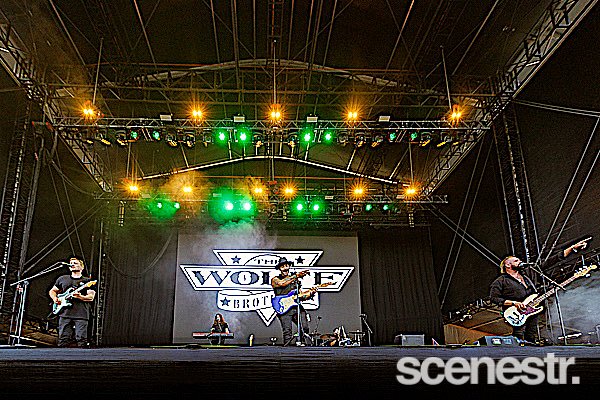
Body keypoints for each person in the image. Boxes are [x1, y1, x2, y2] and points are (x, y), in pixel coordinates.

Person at [489, 239, 589, 343]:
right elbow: (494, 298)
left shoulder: (529, 273)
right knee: (519, 335)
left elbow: (552, 260)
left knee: (531, 335)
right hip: (515, 313)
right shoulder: (500, 281)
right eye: (516, 261)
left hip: (532, 309)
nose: (520, 262)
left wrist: (572, 248)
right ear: (507, 265)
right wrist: (514, 303)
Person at [48, 258, 96, 347]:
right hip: (64, 313)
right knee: (63, 339)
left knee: (81, 340)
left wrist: (80, 297)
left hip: (81, 314)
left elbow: (91, 297)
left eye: (75, 263)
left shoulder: (87, 281)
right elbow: (52, 291)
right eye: (71, 263)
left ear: (82, 267)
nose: (72, 264)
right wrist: (55, 298)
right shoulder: (62, 278)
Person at [271, 258, 317, 346]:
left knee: (304, 327)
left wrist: (310, 293)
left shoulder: (295, 281)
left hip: (296, 306)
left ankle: (301, 344)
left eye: (286, 266)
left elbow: (301, 296)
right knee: (287, 331)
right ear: (279, 269)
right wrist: (296, 275)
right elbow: (282, 283)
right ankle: (287, 349)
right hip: (283, 308)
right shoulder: (275, 279)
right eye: (282, 266)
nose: (285, 268)